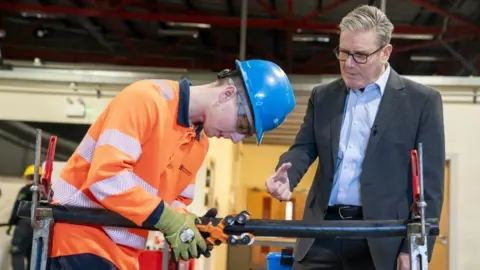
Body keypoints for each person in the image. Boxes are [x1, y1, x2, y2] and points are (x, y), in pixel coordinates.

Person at [46, 59, 296, 269]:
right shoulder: (146, 100)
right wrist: (170, 221)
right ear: (227, 94)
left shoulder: (199, 144)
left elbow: (175, 203)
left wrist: (195, 226)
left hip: (123, 253)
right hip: (80, 238)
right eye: (243, 126)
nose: (236, 138)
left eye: (246, 135)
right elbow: (106, 178)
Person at [265, 5, 445, 270]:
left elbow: (430, 187)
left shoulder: (422, 102)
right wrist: (286, 176)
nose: (348, 64)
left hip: (382, 242)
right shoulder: (322, 97)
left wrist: (415, 248)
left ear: (386, 53)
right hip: (320, 234)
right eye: (344, 53)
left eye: (360, 55)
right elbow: (303, 148)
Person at [7, 165, 41, 270]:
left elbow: (17, 208)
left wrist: (11, 223)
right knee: (32, 254)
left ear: (27, 177)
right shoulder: (45, 191)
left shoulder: (25, 190)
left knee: (17, 252)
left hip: (24, 224)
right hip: (39, 225)